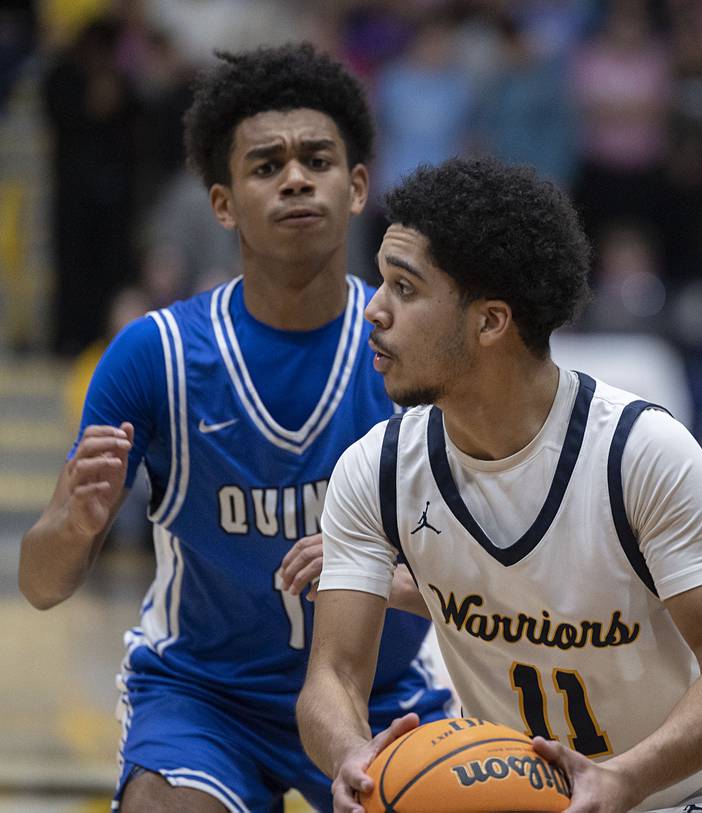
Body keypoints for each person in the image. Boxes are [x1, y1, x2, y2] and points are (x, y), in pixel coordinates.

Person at [19, 44, 450, 813]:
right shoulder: (156, 354)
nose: (293, 177)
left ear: (356, 187)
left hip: (381, 698)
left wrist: (394, 580)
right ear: (222, 203)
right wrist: (71, 523)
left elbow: (484, 574)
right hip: (206, 699)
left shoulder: (415, 348)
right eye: (265, 165)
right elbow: (40, 584)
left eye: (317, 159)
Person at [296, 157, 702, 813]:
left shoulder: (640, 453)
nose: (373, 309)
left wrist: (625, 778)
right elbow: (333, 674)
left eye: (404, 289)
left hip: (680, 798)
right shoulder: (374, 469)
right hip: (513, 799)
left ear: (491, 322)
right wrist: (348, 750)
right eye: (381, 282)